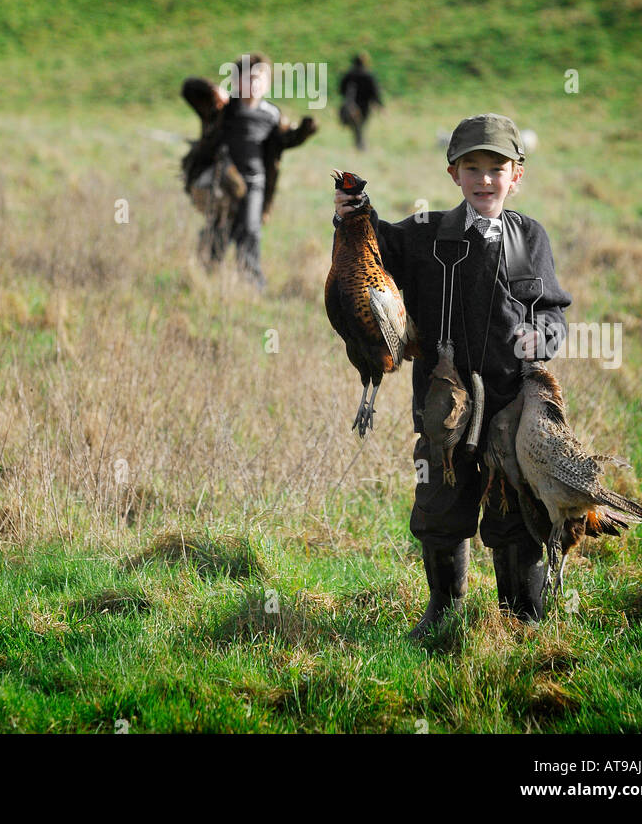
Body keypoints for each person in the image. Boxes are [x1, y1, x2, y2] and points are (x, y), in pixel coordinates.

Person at [333, 113, 571, 635]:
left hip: (512, 402)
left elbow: (553, 310)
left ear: (517, 174)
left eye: (496, 168)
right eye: (472, 168)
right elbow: (371, 245)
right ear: (453, 174)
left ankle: (522, 617)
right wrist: (350, 214)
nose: (485, 180)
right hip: (444, 402)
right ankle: (444, 610)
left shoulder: (530, 236)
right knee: (439, 507)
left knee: (515, 514)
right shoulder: (423, 233)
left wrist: (546, 336)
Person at [182, 53, 318, 289]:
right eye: (249, 78)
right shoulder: (224, 108)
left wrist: (305, 129)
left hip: (256, 183)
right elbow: (189, 90)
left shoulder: (271, 114)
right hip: (223, 180)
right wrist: (213, 90)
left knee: (251, 229)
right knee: (220, 226)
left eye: (260, 78)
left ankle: (252, 282)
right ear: (236, 81)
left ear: (268, 83)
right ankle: (204, 272)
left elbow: (285, 140)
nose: (254, 83)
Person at [338, 54, 383, 151]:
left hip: (351, 106)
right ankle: (360, 146)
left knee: (357, 127)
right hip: (364, 107)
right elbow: (375, 92)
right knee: (360, 126)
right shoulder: (368, 75)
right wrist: (379, 105)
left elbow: (341, 90)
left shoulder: (348, 75)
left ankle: (359, 145)